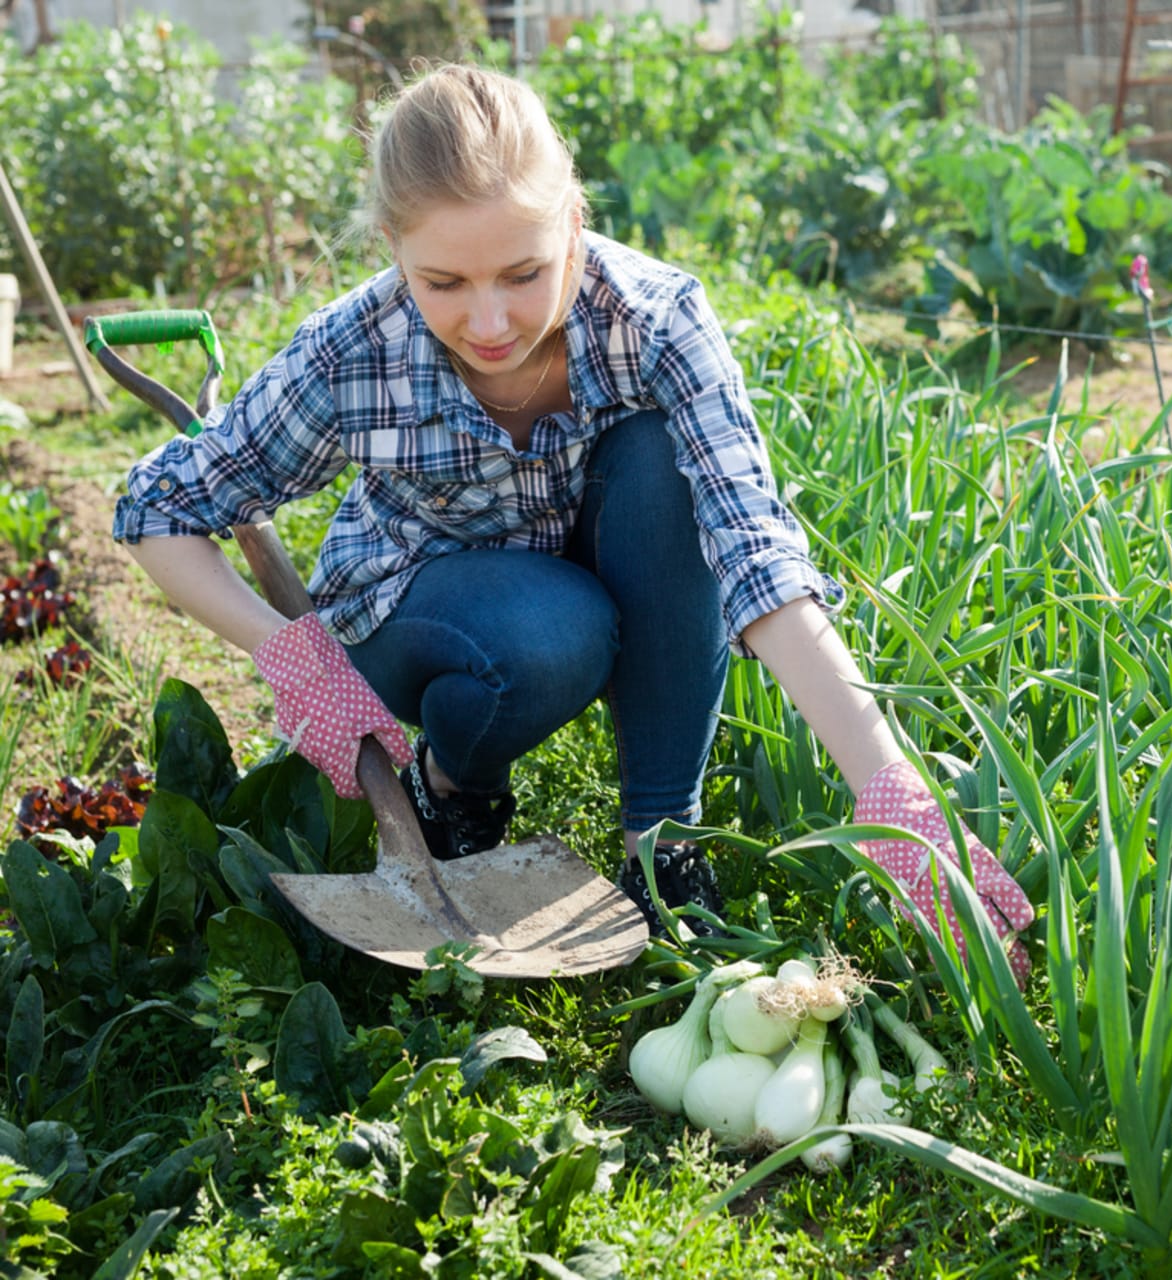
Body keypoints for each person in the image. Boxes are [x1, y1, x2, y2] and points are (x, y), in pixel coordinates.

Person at [112, 64, 1034, 979]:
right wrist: (286, 651)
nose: (489, 321)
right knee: (554, 630)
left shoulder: (653, 320)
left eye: (524, 272)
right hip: (417, 613)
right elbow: (156, 509)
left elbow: (754, 553)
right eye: (443, 282)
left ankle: (657, 846)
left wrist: (891, 789)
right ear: (393, 248)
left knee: (667, 464)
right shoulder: (357, 350)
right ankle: (453, 789)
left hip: (589, 581)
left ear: (575, 222)